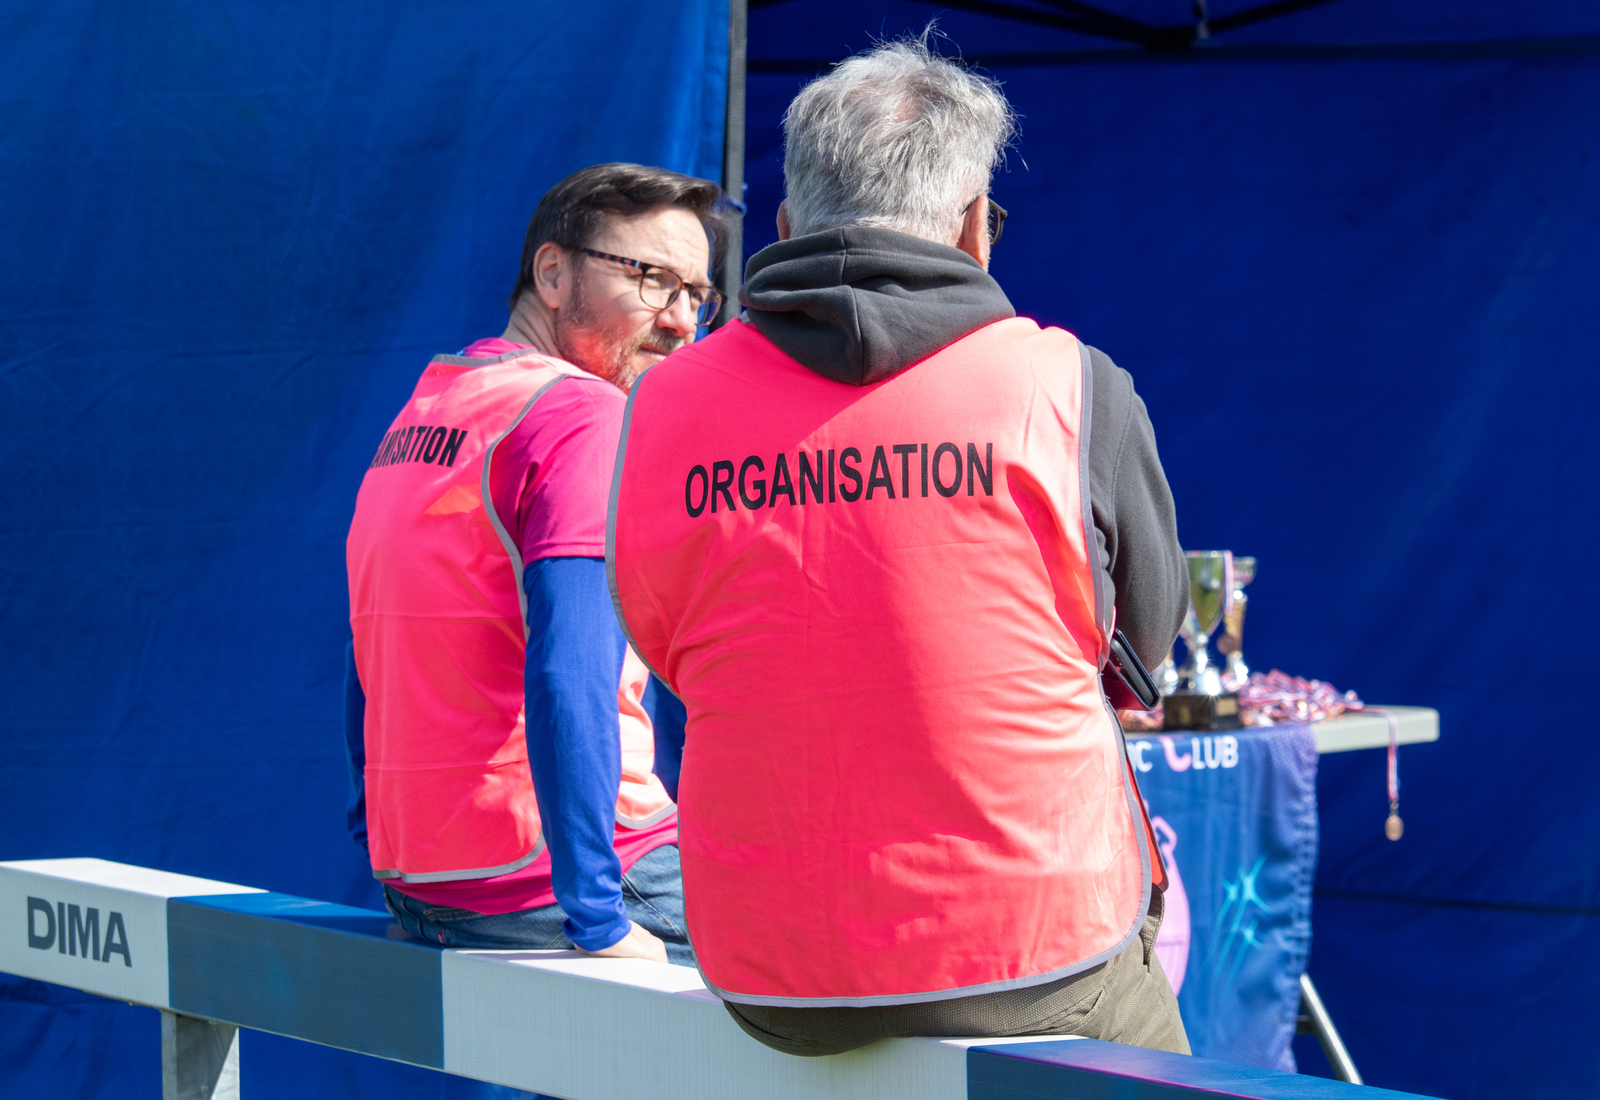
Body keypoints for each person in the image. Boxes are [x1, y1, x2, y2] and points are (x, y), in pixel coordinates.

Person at [607, 38, 1192, 1054]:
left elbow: (668, 645)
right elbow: (1142, 648)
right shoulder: (1070, 385)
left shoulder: (659, 406)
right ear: (973, 227)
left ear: (785, 227)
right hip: (1033, 953)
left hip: (766, 967)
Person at [344, 162, 725, 966]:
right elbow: (570, 674)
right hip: (574, 881)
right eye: (654, 280)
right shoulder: (583, 416)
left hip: (428, 888)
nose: (682, 321)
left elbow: (370, 647)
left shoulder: (428, 408)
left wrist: (369, 831)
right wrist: (599, 916)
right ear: (552, 274)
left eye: (698, 294)